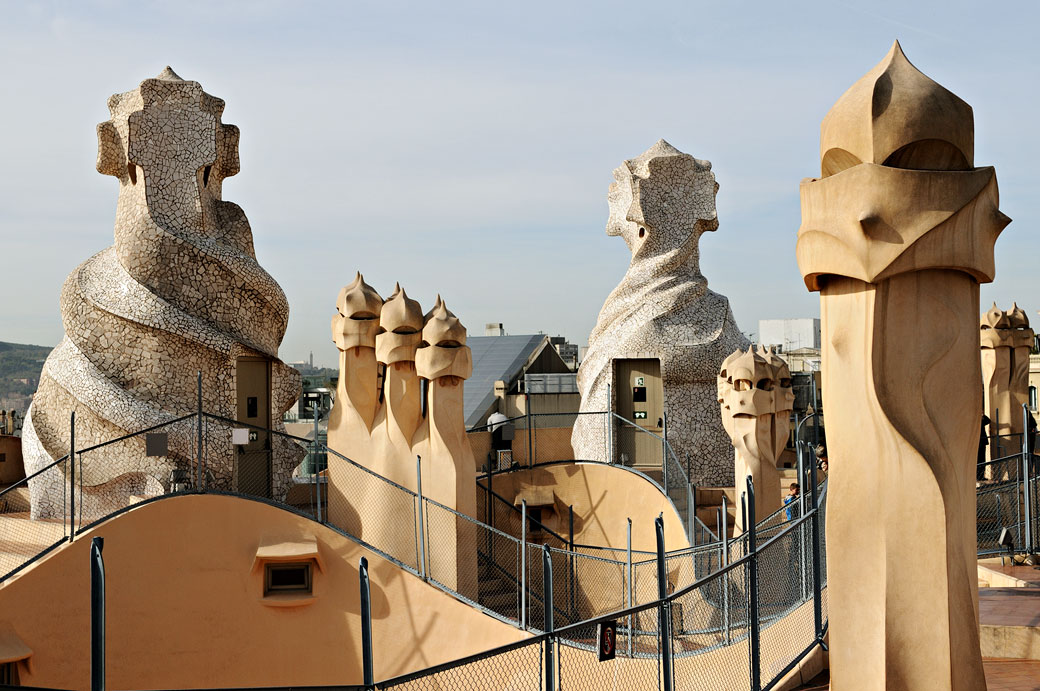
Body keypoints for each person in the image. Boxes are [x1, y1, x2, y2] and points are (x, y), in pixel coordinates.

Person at [977, 413, 991, 483]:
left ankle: (981, 476)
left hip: (982, 442)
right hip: (978, 442)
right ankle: (978, 476)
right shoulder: (976, 421)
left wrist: (982, 415)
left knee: (982, 460)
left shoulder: (980, 420)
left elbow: (988, 420)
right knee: (979, 460)